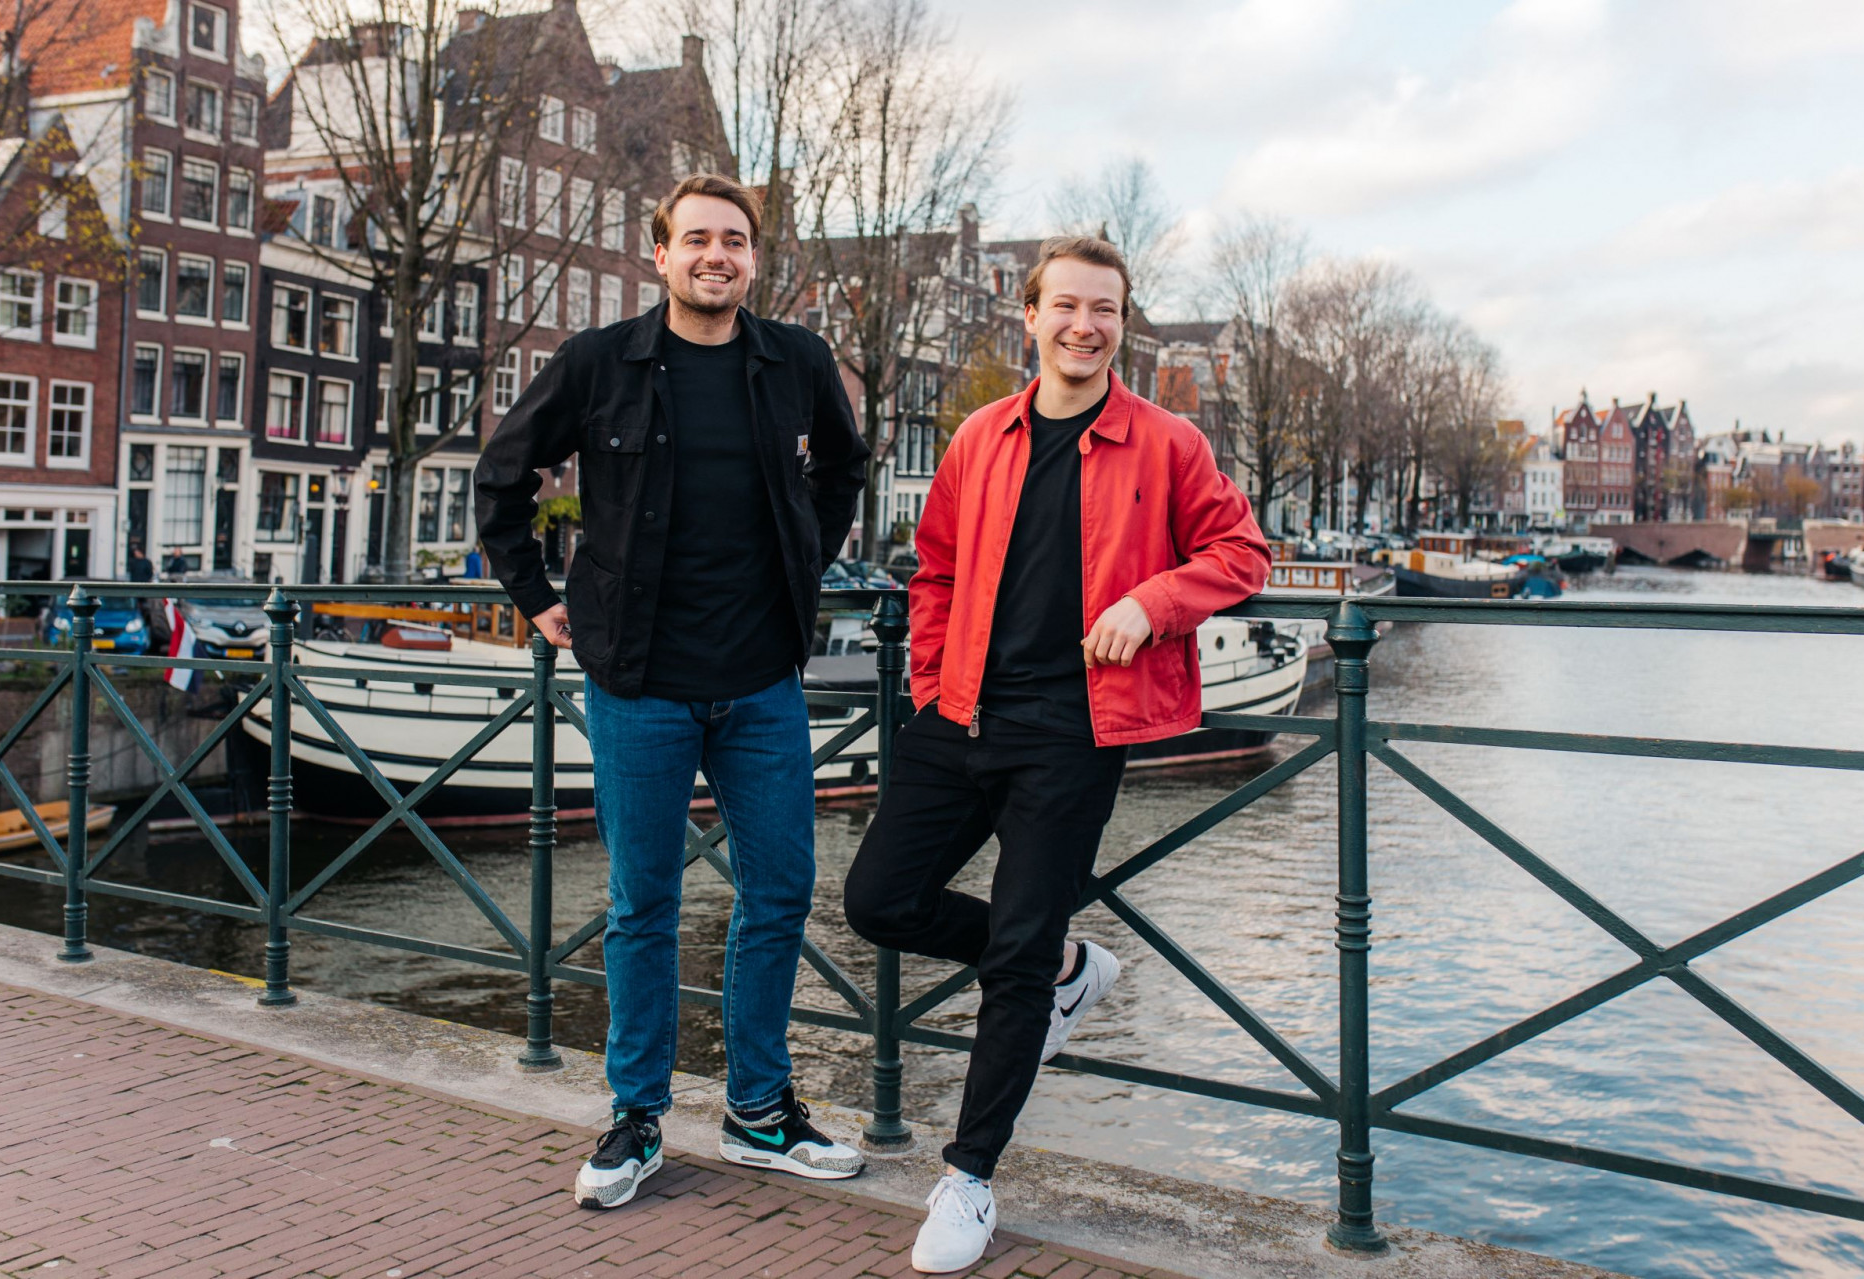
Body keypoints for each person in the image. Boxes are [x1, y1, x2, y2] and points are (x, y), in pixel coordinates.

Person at [841, 237, 1271, 1273]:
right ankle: (1068, 970)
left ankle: (968, 1177)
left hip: (1076, 731)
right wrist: (932, 678)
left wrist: (1151, 603)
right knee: (878, 901)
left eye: (1105, 310)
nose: (1086, 325)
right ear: (1030, 317)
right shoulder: (979, 435)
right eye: (1067, 306)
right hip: (958, 714)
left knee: (1017, 949)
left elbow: (1242, 552)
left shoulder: (1167, 442)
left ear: (1121, 323)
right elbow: (935, 570)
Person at [475, 173, 872, 1211]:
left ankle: (759, 1109)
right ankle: (637, 1115)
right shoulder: (597, 362)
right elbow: (501, 476)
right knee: (642, 902)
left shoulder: (797, 361)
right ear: (660, 254)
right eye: (695, 239)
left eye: (733, 240)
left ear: (754, 258)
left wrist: (804, 561)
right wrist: (534, 595)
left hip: (762, 678)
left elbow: (844, 468)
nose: (715, 255)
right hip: (639, 681)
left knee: (779, 892)